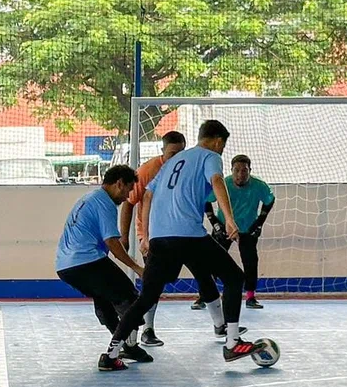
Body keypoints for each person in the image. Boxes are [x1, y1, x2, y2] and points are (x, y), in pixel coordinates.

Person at [97, 120, 260, 372]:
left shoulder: (172, 162)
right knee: (234, 277)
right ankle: (232, 342)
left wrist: (147, 235)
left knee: (147, 297)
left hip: (161, 238)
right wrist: (229, 218)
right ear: (218, 141)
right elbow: (217, 181)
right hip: (188, 235)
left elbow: (147, 195)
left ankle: (111, 353)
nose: (221, 149)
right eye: (222, 145)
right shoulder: (210, 156)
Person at [119, 131, 219, 346]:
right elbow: (129, 202)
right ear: (162, 151)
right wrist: (129, 237)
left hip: (185, 234)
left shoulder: (190, 166)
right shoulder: (148, 171)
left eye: (181, 151)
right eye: (172, 153)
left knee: (204, 275)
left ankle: (220, 325)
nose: (177, 156)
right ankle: (147, 329)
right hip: (156, 237)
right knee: (152, 285)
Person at [56, 165, 153, 370]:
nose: (127, 197)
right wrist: (137, 268)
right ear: (119, 184)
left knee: (104, 299)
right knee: (129, 299)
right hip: (86, 261)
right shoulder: (105, 204)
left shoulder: (89, 198)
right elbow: (112, 243)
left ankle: (126, 347)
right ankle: (118, 352)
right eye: (128, 190)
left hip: (65, 266)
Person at [198, 154, 275, 310]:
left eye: (244, 170)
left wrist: (259, 223)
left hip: (247, 228)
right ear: (231, 170)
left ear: (249, 170)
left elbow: (270, 200)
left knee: (250, 262)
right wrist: (215, 223)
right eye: (237, 170)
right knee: (211, 261)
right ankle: (204, 297)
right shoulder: (223, 184)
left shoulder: (259, 185)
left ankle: (251, 297)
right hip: (224, 227)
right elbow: (206, 200)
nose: (240, 174)